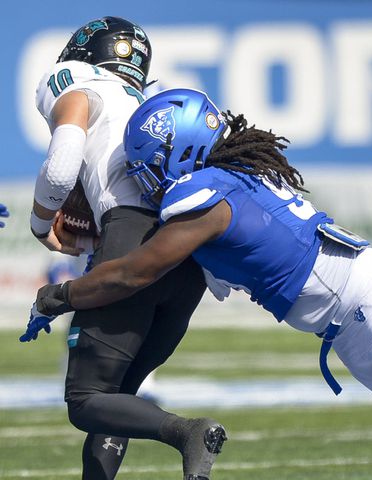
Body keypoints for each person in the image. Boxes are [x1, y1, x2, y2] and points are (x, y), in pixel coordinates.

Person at [26, 88, 372, 480]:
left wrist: (61, 295)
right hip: (353, 313)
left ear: (179, 151)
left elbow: (136, 271)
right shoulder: (233, 176)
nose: (144, 175)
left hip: (366, 303)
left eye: (150, 159)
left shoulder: (197, 195)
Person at [25, 21, 226, 480]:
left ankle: (186, 431)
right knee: (117, 398)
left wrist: (41, 223)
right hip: (187, 247)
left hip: (131, 236)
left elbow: (60, 168)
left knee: (86, 400)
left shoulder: (75, 78)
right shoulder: (145, 102)